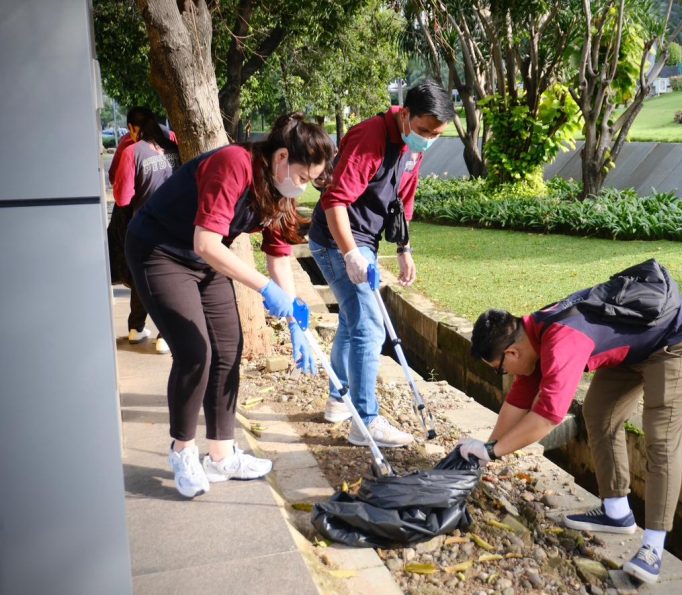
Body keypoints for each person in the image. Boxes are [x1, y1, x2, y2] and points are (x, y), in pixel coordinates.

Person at [459, 261, 682, 584]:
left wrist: (494, 453)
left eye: (498, 369)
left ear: (512, 354)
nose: (502, 375)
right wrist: (486, 449)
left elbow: (547, 417)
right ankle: (617, 512)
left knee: (660, 438)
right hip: (634, 348)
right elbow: (520, 399)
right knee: (599, 413)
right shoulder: (533, 330)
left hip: (674, 343)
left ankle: (653, 548)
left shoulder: (562, 342)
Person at [125, 113, 335, 498]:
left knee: (227, 347)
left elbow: (279, 255)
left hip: (204, 259)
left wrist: (293, 318)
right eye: (303, 178)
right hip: (160, 250)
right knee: (195, 352)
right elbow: (207, 242)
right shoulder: (234, 165)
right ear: (282, 157)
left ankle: (220, 456)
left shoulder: (278, 189)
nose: (303, 188)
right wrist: (267, 291)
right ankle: (182, 450)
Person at [307, 80, 455, 448]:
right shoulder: (369, 137)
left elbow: (405, 194)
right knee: (370, 326)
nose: (428, 140)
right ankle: (365, 420)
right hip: (336, 240)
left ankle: (339, 401)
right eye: (423, 131)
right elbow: (335, 200)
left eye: (436, 135)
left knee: (352, 320)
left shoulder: (413, 144)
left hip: (366, 239)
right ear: (405, 115)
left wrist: (403, 247)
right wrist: (351, 254)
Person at [112, 106, 180, 354]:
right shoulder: (174, 143)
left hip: (145, 229)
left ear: (132, 128)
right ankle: (161, 334)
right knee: (170, 280)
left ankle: (137, 328)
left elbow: (122, 198)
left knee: (144, 278)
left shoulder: (132, 152)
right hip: (176, 226)